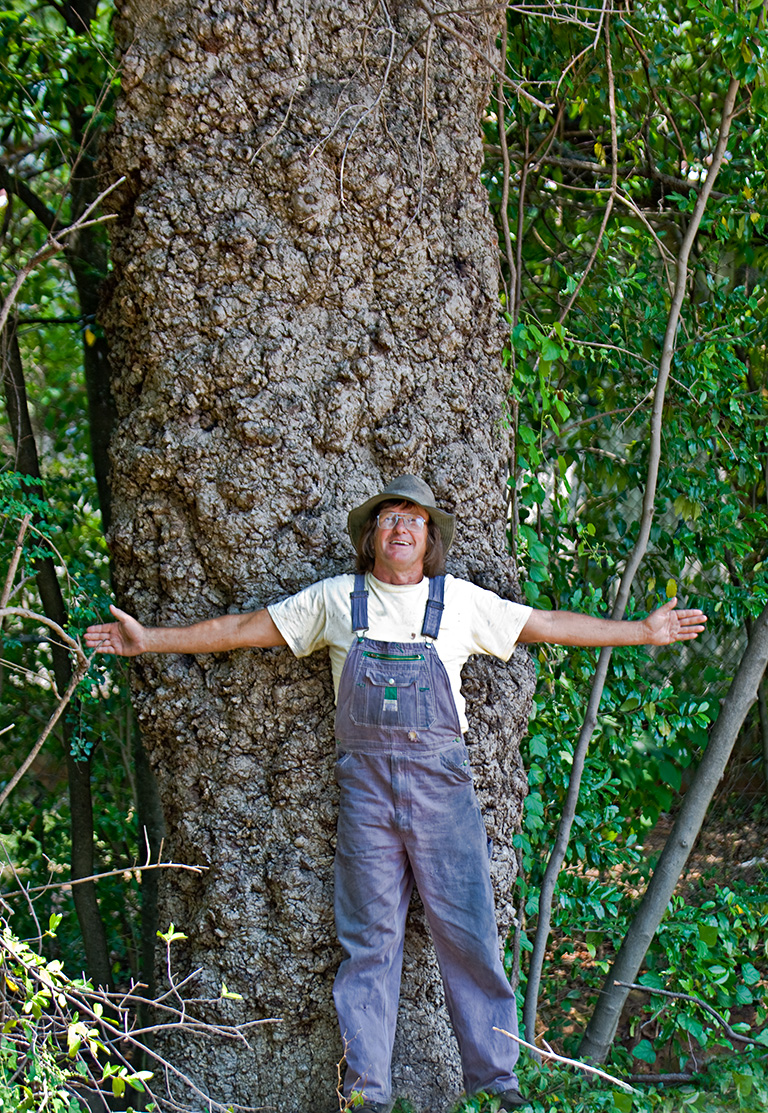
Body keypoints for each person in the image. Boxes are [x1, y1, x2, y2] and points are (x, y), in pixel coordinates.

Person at [86, 475, 706, 1113]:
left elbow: (545, 624)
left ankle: (497, 1087)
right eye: (388, 518)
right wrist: (150, 640)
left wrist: (643, 632)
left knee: (469, 935)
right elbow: (245, 626)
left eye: (414, 518)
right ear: (371, 535)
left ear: (429, 537)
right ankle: (367, 1097)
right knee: (369, 943)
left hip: (442, 791)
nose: (401, 527)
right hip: (367, 798)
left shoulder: (458, 602)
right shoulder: (336, 600)